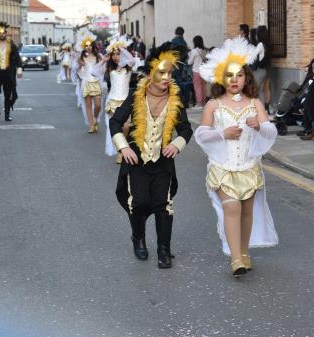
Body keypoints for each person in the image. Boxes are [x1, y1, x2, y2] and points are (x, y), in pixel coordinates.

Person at [195, 37, 278, 277]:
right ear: (222, 77)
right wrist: (223, 133)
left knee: (246, 211)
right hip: (223, 167)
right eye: (230, 75)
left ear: (246, 78)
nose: (234, 80)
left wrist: (259, 126)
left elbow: (270, 130)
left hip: (249, 166)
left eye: (239, 75)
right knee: (232, 209)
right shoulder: (214, 104)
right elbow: (201, 134)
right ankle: (235, 259)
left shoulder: (255, 103)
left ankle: (244, 252)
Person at [110, 43, 192, 269]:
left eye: (170, 73)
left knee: (163, 205)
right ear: (151, 73)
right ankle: (138, 239)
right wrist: (123, 147)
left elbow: (185, 129)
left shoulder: (176, 99)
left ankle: (164, 250)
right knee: (138, 203)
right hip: (136, 160)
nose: (167, 78)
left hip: (162, 161)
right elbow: (115, 121)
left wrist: (177, 144)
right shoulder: (137, 96)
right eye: (161, 73)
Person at [103, 36, 135, 163]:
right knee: (116, 127)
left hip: (125, 101)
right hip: (112, 100)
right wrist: (104, 60)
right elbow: (94, 72)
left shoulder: (129, 66)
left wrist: (121, 48)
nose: (116, 56)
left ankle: (123, 147)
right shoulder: (109, 67)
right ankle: (120, 152)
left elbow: (131, 59)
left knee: (126, 127)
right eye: (114, 54)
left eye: (119, 54)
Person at [0, 22, 23, 121]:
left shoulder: (12, 45)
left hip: (9, 72)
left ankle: (7, 114)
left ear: (6, 33)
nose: (2, 34)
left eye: (3, 33)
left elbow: (17, 58)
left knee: (9, 93)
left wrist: (19, 68)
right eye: (0, 33)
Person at [76, 31, 104, 133]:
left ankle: (95, 118)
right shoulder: (81, 57)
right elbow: (77, 69)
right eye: (86, 46)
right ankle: (91, 125)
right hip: (86, 82)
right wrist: (80, 65)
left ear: (93, 46)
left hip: (96, 82)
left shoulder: (98, 56)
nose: (88, 47)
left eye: (90, 46)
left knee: (98, 105)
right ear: (84, 47)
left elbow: (102, 67)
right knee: (88, 105)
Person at [189, 35, 208, 107]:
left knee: (197, 88)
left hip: (196, 71)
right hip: (204, 71)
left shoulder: (194, 51)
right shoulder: (205, 50)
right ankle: (204, 102)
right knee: (203, 87)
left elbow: (189, 62)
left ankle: (199, 103)